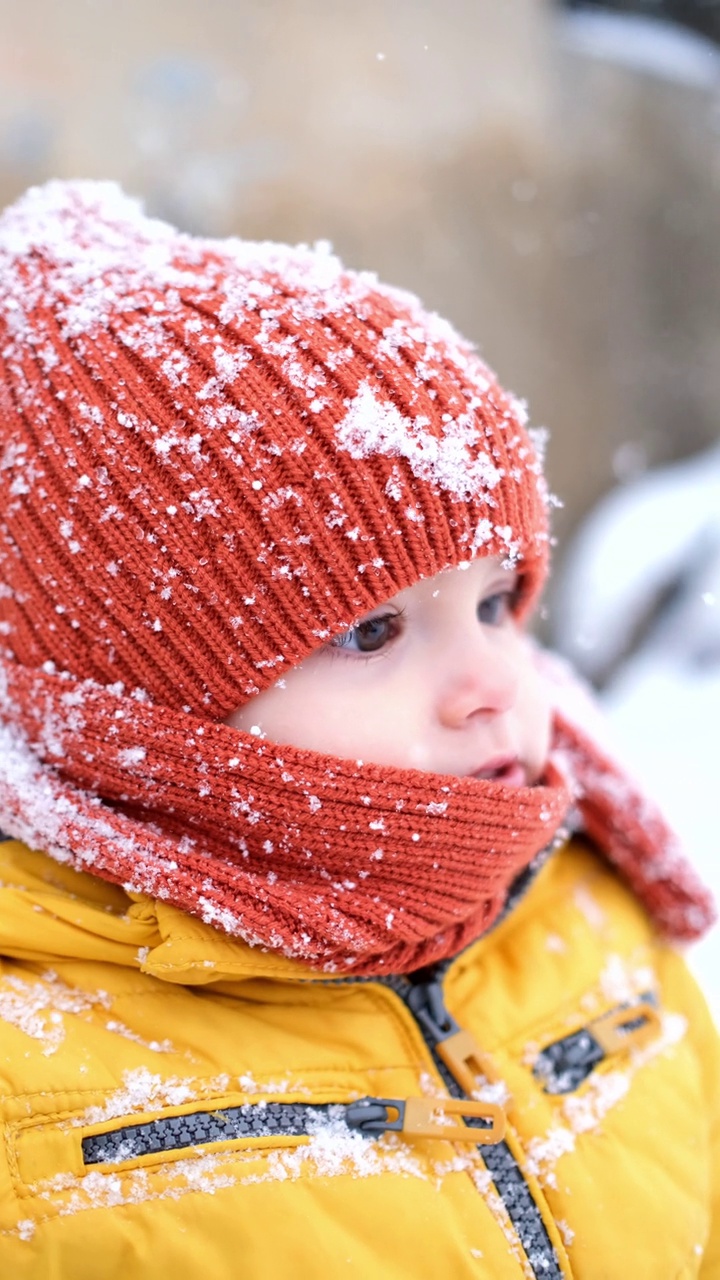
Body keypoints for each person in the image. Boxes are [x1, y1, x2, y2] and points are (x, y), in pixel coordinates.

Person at [0, 180, 717, 1280]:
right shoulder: (30, 1067)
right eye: (373, 629)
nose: (488, 680)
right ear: (138, 705)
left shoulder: (574, 888)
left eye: (493, 602)